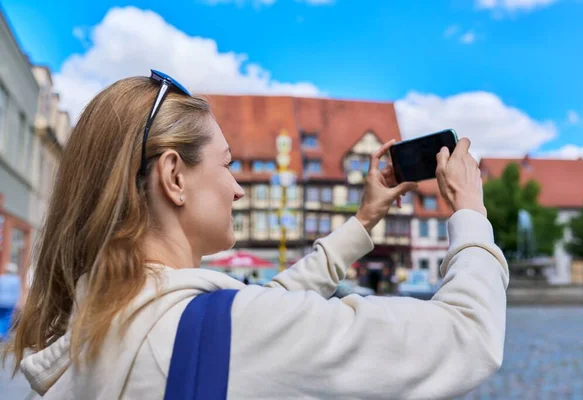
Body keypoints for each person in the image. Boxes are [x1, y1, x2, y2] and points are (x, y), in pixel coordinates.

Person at [5, 70, 509, 399]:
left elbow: (245, 313)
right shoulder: (237, 331)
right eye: (227, 165)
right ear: (174, 177)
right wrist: (469, 210)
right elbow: (468, 338)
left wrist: (360, 225)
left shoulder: (91, 328)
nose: (239, 190)